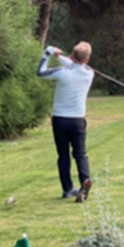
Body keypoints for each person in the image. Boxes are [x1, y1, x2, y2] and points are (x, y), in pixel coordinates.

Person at [38, 42, 96, 202]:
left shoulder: (61, 73)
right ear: (88, 58)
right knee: (80, 154)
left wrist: (48, 53)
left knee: (63, 155)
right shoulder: (89, 73)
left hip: (60, 119)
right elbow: (75, 65)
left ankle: (68, 189)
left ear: (72, 55)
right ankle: (84, 182)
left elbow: (40, 72)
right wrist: (61, 57)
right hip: (78, 120)